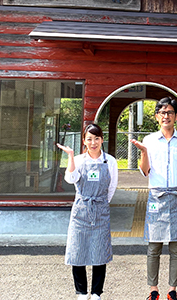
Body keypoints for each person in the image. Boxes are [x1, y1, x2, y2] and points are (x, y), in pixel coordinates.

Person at [131, 97, 177, 300]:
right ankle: (153, 290)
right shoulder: (149, 140)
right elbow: (145, 171)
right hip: (156, 197)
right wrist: (143, 152)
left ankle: (172, 290)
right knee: (154, 246)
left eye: (169, 112)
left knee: (176, 247)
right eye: (162, 112)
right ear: (157, 117)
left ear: (176, 117)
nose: (166, 116)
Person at [57, 123, 118, 300]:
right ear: (84, 141)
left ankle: (97, 293)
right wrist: (70, 156)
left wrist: (101, 203)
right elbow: (70, 179)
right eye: (89, 139)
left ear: (102, 140)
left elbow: (112, 186)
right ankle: (82, 292)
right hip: (81, 210)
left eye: (96, 139)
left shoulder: (110, 161)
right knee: (78, 250)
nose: (93, 143)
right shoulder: (78, 160)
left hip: (100, 209)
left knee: (100, 251)